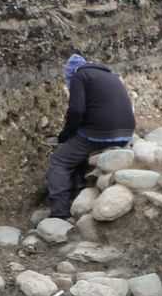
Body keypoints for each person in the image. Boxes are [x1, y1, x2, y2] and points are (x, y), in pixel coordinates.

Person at [47, 53, 135, 218]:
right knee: (80, 148)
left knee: (60, 161)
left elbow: (77, 110)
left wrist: (63, 137)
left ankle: (59, 213)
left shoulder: (80, 76)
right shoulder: (109, 76)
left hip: (99, 133)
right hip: (126, 133)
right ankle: (79, 187)